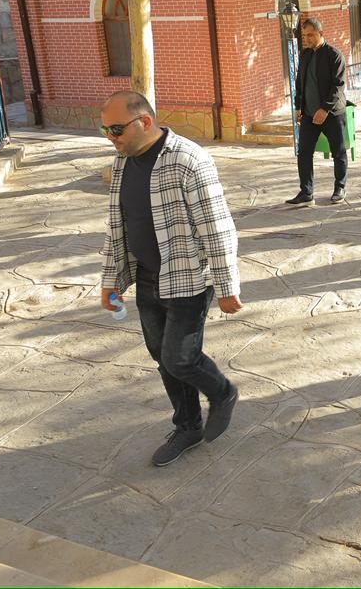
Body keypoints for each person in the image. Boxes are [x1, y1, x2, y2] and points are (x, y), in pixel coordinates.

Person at [99, 90, 243, 467]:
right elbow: (118, 227)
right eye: (106, 130)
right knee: (162, 358)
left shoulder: (188, 160)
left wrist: (227, 286)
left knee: (180, 358)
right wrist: (111, 280)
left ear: (144, 121)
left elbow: (217, 226)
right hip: (148, 278)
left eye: (116, 129)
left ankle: (223, 392)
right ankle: (188, 426)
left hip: (187, 279)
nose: (111, 137)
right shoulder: (122, 161)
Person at [286, 18, 348, 206]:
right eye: (305, 35)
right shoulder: (305, 55)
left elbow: (338, 86)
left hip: (332, 114)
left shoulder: (334, 55)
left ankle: (340, 188)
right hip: (308, 115)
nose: (307, 39)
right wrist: (298, 106)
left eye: (311, 35)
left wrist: (325, 109)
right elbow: (300, 83)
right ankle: (306, 193)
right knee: (304, 153)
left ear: (321, 34)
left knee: (338, 152)